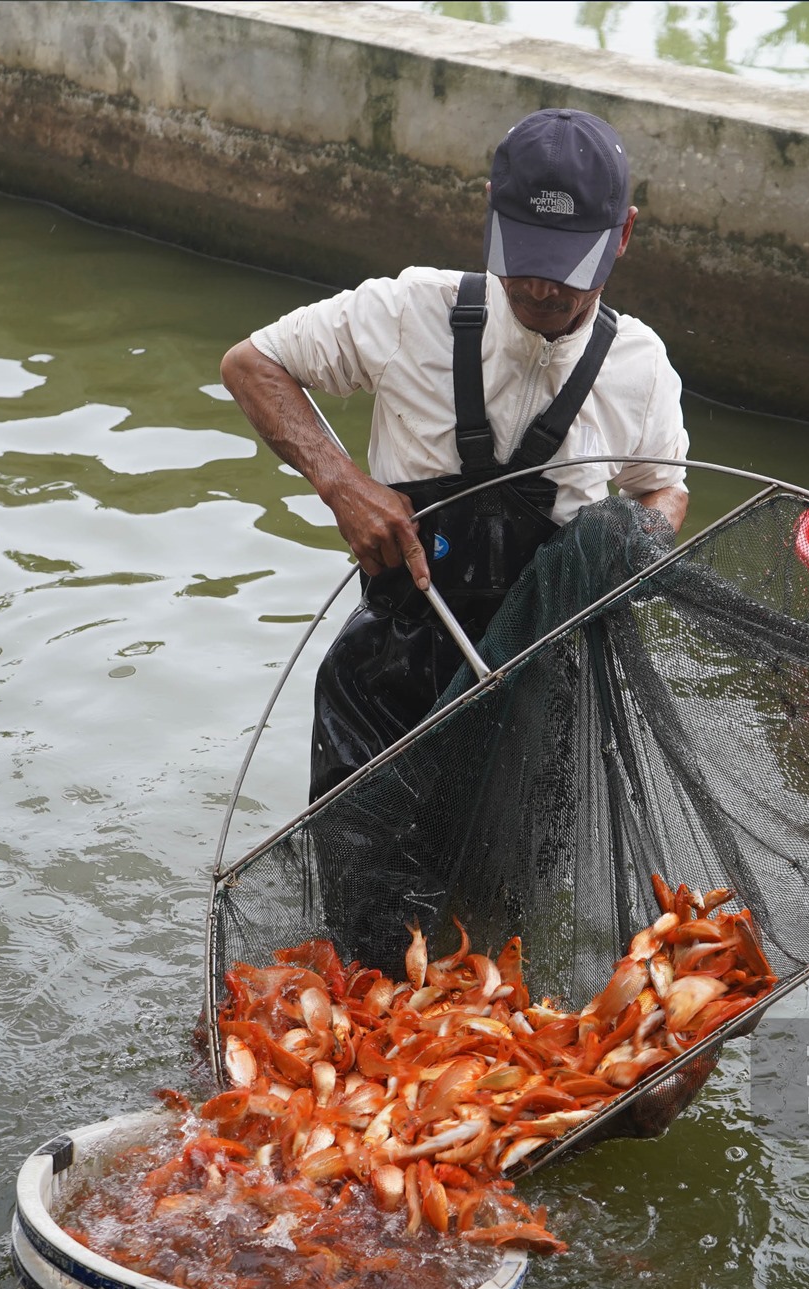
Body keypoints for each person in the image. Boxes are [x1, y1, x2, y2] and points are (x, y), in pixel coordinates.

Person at [221, 108, 691, 803]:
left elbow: (664, 488)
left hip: (538, 699)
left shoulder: (640, 367)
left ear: (622, 234)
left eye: (567, 267)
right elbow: (250, 364)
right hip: (386, 691)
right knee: (364, 865)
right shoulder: (409, 311)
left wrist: (636, 542)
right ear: (491, 212)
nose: (542, 287)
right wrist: (342, 484)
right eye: (526, 257)